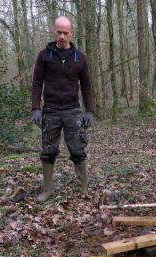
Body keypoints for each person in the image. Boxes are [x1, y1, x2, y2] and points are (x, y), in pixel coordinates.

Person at [31, 15, 94, 202]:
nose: (62, 37)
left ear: (71, 33)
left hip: (72, 110)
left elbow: (87, 87)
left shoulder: (80, 58)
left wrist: (89, 111)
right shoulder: (44, 56)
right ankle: (48, 190)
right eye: (59, 32)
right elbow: (36, 84)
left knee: (77, 150)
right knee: (48, 151)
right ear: (54, 31)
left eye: (66, 33)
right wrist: (36, 107)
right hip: (50, 111)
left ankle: (83, 190)